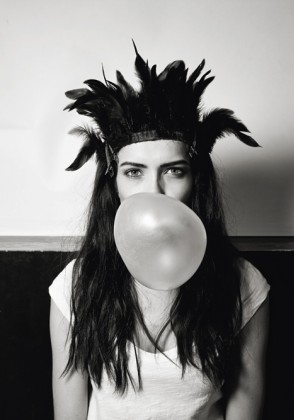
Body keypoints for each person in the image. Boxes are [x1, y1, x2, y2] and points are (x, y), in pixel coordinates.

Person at [49, 44, 270, 420]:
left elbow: (246, 398)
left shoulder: (243, 284)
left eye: (174, 171)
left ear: (195, 180)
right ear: (113, 181)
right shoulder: (76, 285)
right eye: (134, 172)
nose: (154, 191)